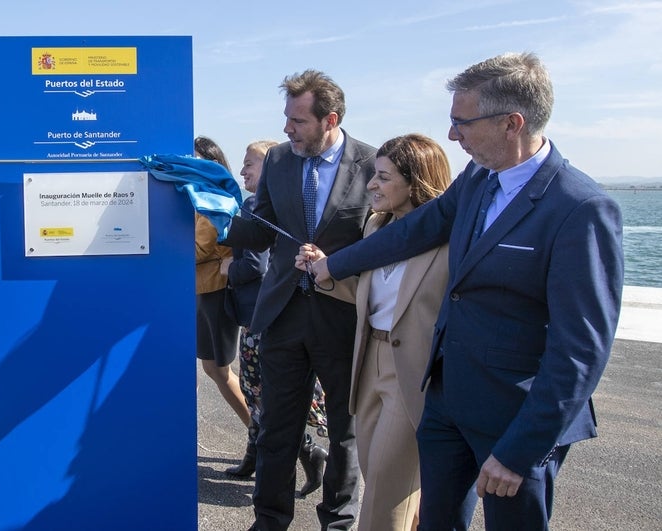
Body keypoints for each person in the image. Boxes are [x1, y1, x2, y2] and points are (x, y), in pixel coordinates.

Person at [302, 52, 624, 530]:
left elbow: (580, 349)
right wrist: (332, 266)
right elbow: (413, 232)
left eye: (462, 122)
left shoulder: (580, 208)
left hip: (515, 418)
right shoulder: (478, 178)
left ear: (512, 123)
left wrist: (519, 452)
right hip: (447, 402)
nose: (452, 136)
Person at [222, 70, 376, 530]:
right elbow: (261, 227)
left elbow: (383, 238)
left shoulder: (370, 163)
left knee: (345, 430)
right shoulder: (280, 163)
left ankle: (338, 521)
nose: (287, 129)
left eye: (297, 121)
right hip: (283, 314)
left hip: (342, 315)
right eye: (286, 119)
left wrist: (338, 261)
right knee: (275, 430)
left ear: (330, 119)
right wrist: (220, 209)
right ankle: (269, 520)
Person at [298, 134, 452, 530]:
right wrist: (324, 271)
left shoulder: (450, 241)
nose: (370, 185)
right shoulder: (376, 227)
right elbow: (371, 297)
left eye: (382, 177)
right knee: (382, 477)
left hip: (413, 371)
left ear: (415, 182)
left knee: (385, 489)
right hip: (369, 365)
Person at [223, 140, 328, 499]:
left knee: (264, 395)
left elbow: (256, 263)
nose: (243, 172)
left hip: (261, 316)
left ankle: (309, 453)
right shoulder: (269, 203)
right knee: (259, 394)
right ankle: (254, 456)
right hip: (263, 315)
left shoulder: (256, 205)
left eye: (250, 164)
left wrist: (227, 269)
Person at [194, 136, 251, 428]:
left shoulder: (214, 197)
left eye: (195, 160)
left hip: (217, 290)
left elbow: (201, 248)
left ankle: (263, 437)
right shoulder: (202, 193)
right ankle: (260, 437)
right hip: (205, 289)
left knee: (220, 370)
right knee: (212, 368)